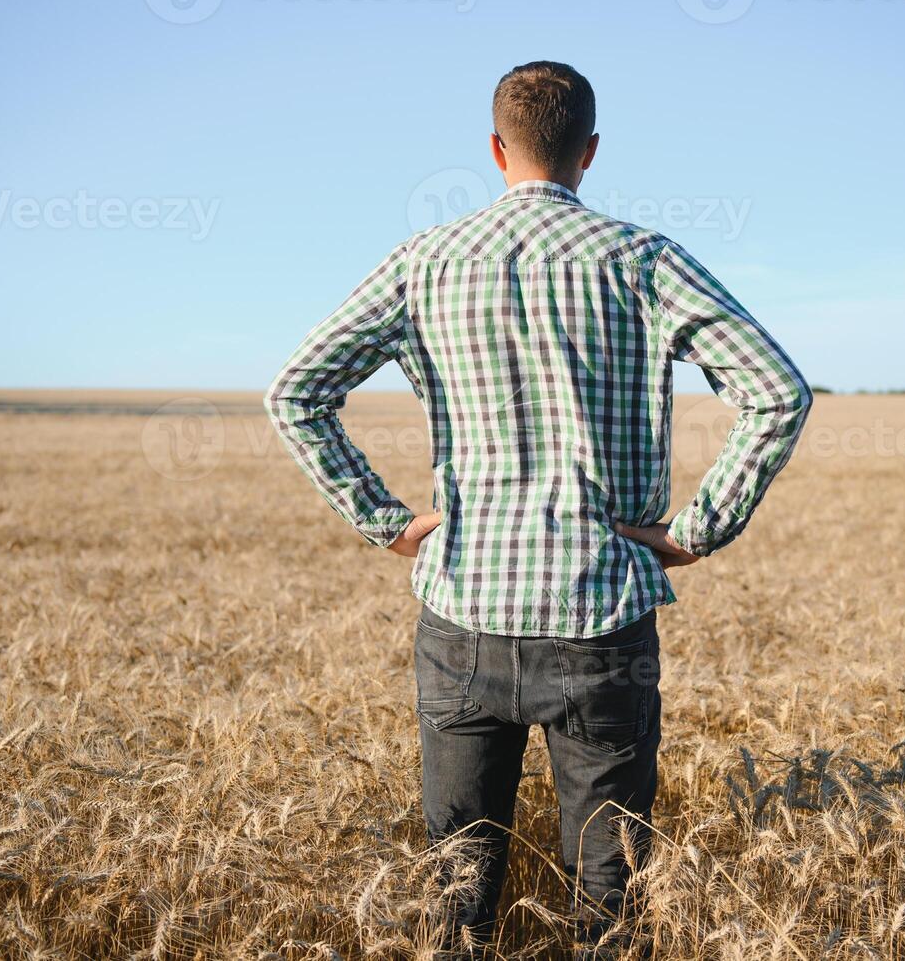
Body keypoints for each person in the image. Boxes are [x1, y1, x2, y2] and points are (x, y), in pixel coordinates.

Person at [268, 60, 811, 958]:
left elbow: (295, 393)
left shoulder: (424, 261)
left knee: (458, 885)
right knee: (610, 889)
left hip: (461, 617)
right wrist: (692, 533)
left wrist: (388, 522)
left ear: (494, 149)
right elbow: (777, 392)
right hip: (601, 619)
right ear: (589, 153)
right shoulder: (644, 262)